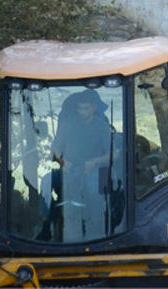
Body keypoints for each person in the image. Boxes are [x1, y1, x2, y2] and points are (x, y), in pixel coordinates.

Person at [51, 88, 115, 239]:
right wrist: (62, 160)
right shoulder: (67, 124)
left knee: (94, 203)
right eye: (79, 108)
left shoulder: (102, 127)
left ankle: (96, 237)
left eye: (85, 108)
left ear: (94, 108)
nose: (82, 112)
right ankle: (69, 238)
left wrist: (94, 162)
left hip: (96, 170)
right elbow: (55, 149)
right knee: (68, 206)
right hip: (70, 169)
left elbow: (114, 154)